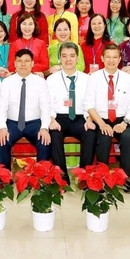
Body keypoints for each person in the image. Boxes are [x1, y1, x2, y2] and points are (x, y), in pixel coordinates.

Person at [85, 44, 130, 193]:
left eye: (115, 57)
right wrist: (102, 124)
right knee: (104, 138)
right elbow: (89, 104)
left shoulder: (128, 79)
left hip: (122, 119)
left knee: (128, 138)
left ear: (120, 59)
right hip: (102, 119)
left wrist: (125, 123)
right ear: (102, 58)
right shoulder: (94, 78)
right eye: (108, 57)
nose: (111, 60)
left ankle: (123, 178)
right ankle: (101, 178)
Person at [47, 42, 96, 183]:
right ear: (59, 58)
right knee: (54, 134)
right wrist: (52, 120)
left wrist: (89, 120)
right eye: (64, 56)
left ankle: (84, 176)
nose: (68, 59)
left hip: (80, 117)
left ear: (77, 58)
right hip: (59, 118)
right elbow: (48, 103)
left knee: (91, 133)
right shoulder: (51, 79)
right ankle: (62, 176)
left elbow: (91, 102)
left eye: (72, 56)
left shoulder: (87, 79)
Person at [0, 49, 51, 170]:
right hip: (12, 123)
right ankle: (4, 177)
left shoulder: (41, 82)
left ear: (32, 63)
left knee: (44, 141)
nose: (23, 64)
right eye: (19, 61)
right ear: (14, 63)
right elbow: (2, 107)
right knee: (2, 141)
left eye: (26, 61)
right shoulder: (7, 82)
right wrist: (2, 127)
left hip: (34, 123)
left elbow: (45, 107)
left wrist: (44, 128)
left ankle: (41, 176)